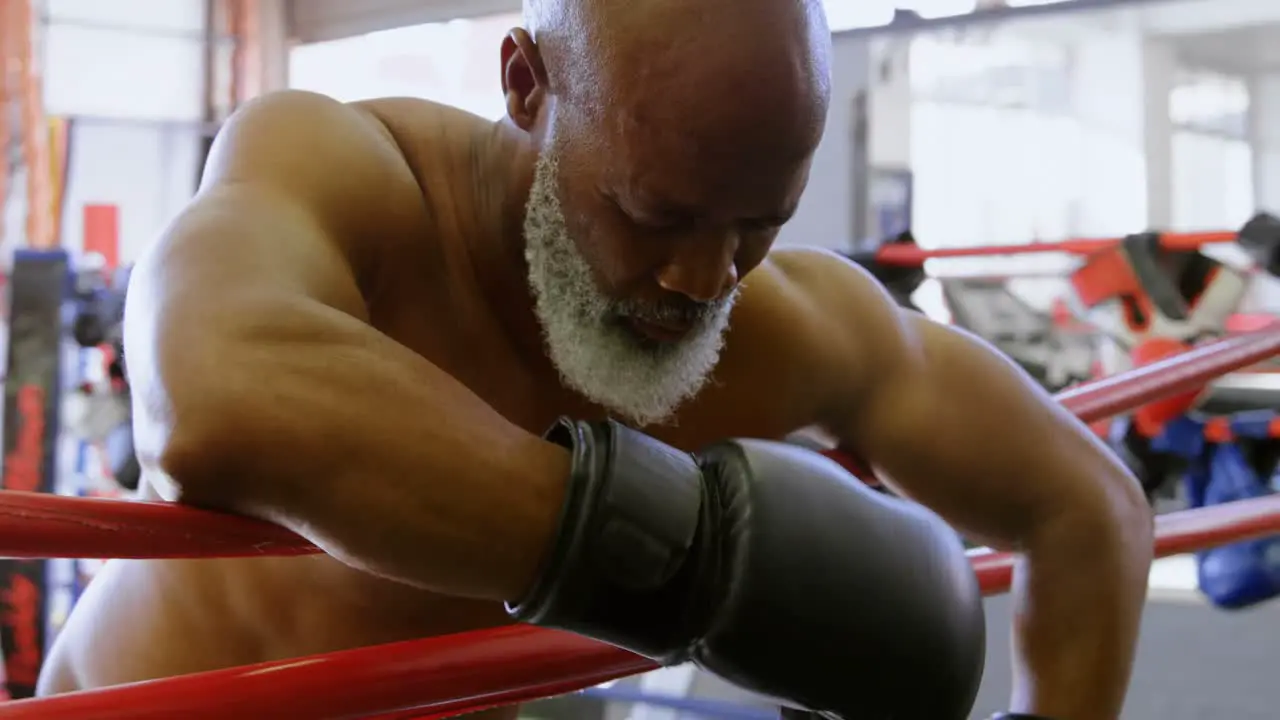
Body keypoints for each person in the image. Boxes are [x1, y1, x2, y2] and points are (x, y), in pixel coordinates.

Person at [38, 0, 1154, 718]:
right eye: (654, 212)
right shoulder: (345, 169)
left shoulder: (777, 325)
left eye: (757, 222)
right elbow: (212, 396)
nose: (705, 279)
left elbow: (1085, 509)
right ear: (525, 83)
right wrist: (687, 564)